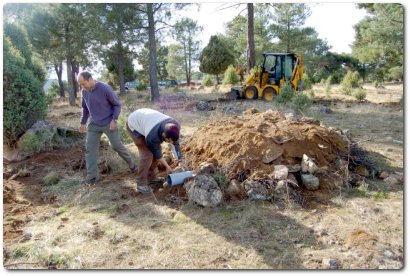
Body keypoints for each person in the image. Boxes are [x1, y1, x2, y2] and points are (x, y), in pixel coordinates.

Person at [78, 71, 136, 185]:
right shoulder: (84, 91)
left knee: (116, 145)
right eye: (80, 84)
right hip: (94, 124)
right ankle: (92, 177)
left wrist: (114, 120)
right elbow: (85, 109)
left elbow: (117, 105)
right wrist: (82, 122)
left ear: (90, 79)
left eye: (83, 83)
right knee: (90, 149)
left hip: (108, 123)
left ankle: (132, 165)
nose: (82, 86)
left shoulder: (104, 88)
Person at [127, 108, 183, 194]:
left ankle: (150, 177)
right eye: (168, 141)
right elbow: (158, 154)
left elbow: (176, 145)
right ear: (163, 135)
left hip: (147, 121)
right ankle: (141, 184)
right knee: (147, 154)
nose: (170, 143)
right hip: (134, 125)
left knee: (156, 150)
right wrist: (167, 167)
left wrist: (180, 160)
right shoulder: (152, 136)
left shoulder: (175, 127)